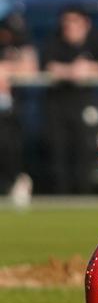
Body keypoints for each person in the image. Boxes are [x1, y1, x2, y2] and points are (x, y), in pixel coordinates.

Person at [43, 6, 98, 194]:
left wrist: (88, 68)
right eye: (66, 22)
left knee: (83, 148)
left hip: (84, 103)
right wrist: (70, 71)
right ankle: (59, 193)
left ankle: (84, 192)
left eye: (74, 21)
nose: (69, 26)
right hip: (57, 104)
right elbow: (47, 66)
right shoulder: (54, 40)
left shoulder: (96, 40)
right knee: (57, 150)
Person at [0, 12, 38, 203]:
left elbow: (29, 68)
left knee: (11, 149)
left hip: (13, 112)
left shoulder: (23, 47)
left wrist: (7, 70)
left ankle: (15, 183)